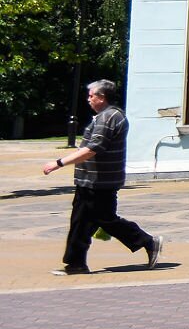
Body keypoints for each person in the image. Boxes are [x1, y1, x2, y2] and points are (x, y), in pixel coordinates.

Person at [41, 80, 163, 276]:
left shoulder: (109, 117)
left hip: (100, 182)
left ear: (102, 97)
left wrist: (59, 163)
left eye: (91, 95)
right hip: (89, 180)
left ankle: (147, 241)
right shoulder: (103, 117)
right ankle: (76, 264)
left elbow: (93, 149)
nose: (88, 99)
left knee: (104, 219)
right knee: (81, 222)